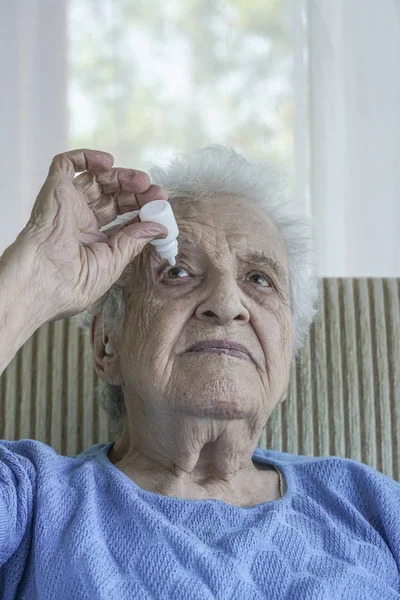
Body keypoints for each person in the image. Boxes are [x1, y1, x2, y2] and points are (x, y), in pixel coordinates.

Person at [0, 146, 398, 599]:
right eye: (177, 272)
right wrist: (34, 278)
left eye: (260, 279)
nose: (227, 305)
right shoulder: (33, 499)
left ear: (288, 350)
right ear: (106, 344)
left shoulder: (368, 503)